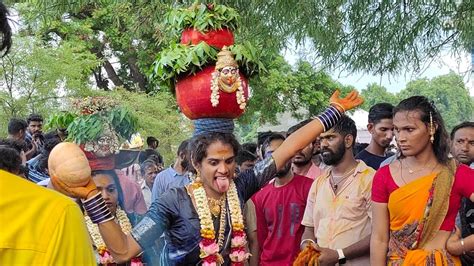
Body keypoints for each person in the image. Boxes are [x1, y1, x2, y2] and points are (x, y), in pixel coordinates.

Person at [51, 90, 363, 265]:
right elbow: (122, 251)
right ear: (195, 164)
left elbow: (288, 148)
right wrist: (92, 197)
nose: (224, 170)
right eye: (214, 162)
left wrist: (331, 112)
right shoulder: (173, 201)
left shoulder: (241, 185)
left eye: (228, 161)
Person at [371, 96, 474, 265]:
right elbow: (379, 238)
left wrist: (460, 246)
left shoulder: (455, 173)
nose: (400, 137)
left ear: (432, 128)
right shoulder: (384, 175)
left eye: (409, 129)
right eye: (397, 130)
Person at [300, 115, 375, 265]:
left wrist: (339, 255)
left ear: (348, 140)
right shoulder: (319, 182)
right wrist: (307, 247)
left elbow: (380, 234)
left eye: (330, 138)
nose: (323, 144)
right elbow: (309, 228)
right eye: (321, 139)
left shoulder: (371, 179)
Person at [252, 133, 313, 265]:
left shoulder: (310, 187)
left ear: (291, 153)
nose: (279, 158)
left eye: (283, 151)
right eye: (272, 154)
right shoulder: (259, 197)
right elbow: (260, 239)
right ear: (263, 159)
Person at [83, 170, 143, 265]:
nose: (105, 196)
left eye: (111, 190)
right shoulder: (78, 226)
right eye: (97, 191)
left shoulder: (134, 222)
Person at [450, 122, 474, 265]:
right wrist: (461, 247)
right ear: (450, 143)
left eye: (472, 143)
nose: (465, 148)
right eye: (460, 141)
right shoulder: (438, 175)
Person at [356, 103, 394, 170]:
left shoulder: (394, 158)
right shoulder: (360, 163)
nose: (390, 136)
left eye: (393, 129)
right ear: (370, 128)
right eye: (383, 129)